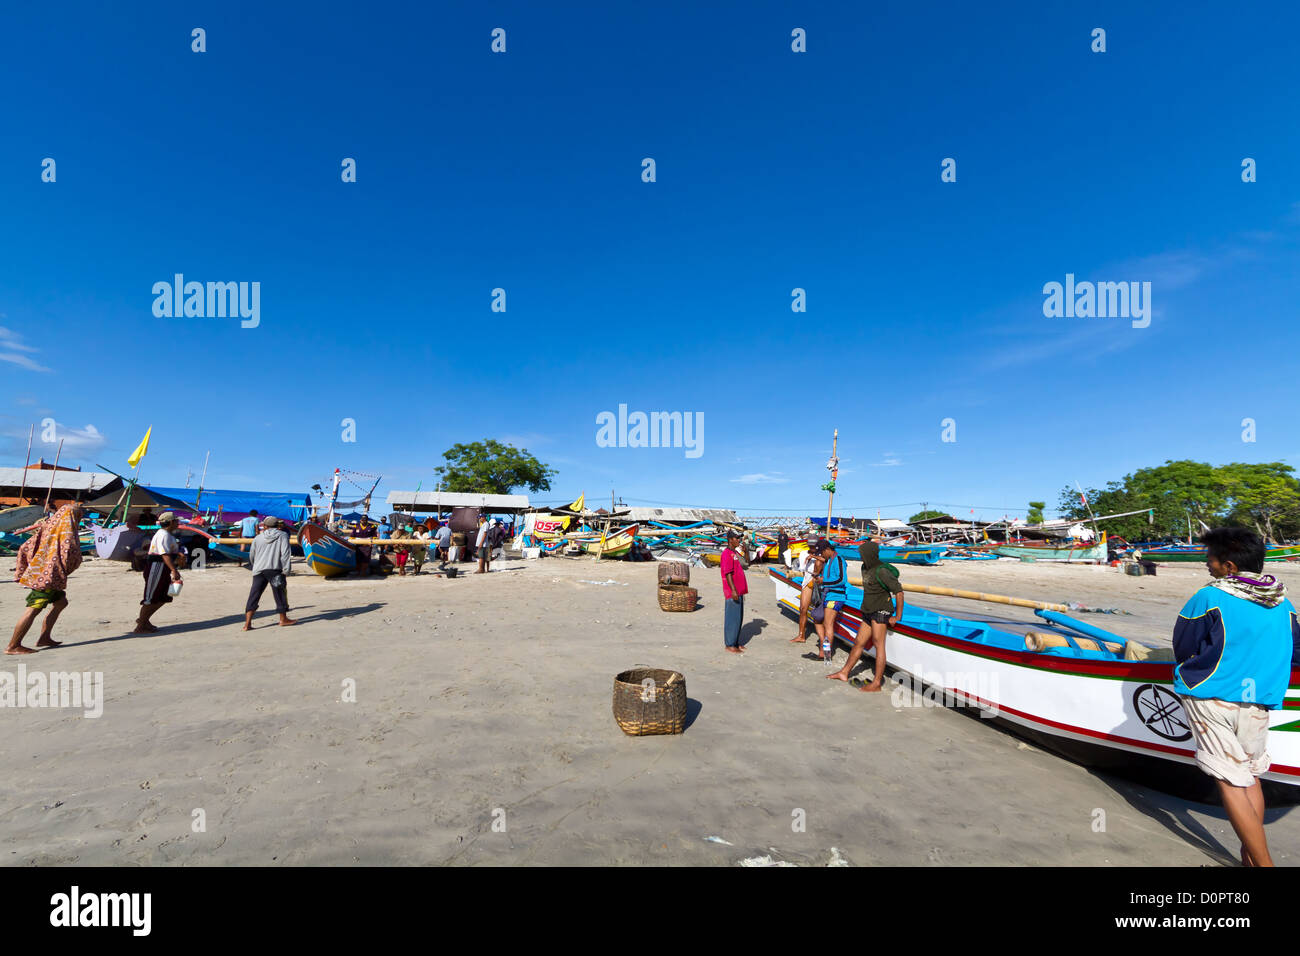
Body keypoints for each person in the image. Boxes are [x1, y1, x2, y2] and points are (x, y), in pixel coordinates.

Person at [1173, 528, 1300, 867]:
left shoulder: (1209, 596)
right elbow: (1295, 652)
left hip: (1211, 696)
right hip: (1259, 698)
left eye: (1209, 560)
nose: (1206, 566)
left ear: (1228, 565)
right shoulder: (1282, 601)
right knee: (1249, 775)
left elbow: (1183, 647)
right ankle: (1250, 857)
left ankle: (1264, 864)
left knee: (1230, 780)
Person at [7, 503, 84, 654]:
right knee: (33, 609)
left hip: (43, 575)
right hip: (49, 578)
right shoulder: (67, 532)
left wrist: (30, 566)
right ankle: (13, 645)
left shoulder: (48, 527)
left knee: (61, 603)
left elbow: (25, 547)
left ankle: (45, 637)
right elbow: (72, 555)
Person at [829, 540, 904, 690]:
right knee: (858, 642)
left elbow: (899, 592)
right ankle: (844, 672)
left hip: (881, 610)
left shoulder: (882, 571)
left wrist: (897, 616)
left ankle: (877, 683)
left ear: (869, 555)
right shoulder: (865, 567)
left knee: (878, 644)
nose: (861, 557)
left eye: (863, 554)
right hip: (868, 611)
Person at [134, 511, 186, 633]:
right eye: (176, 521)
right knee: (151, 597)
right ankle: (141, 624)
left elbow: (167, 552)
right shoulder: (164, 535)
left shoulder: (167, 534)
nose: (178, 523)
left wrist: (178, 555)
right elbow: (164, 554)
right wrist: (174, 570)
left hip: (162, 568)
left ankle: (144, 620)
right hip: (156, 567)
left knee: (163, 596)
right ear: (171, 522)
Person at [244, 515, 296, 630]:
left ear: (265, 526)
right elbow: (285, 554)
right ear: (277, 525)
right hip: (275, 569)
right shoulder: (282, 536)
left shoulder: (258, 538)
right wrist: (286, 570)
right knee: (280, 594)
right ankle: (283, 619)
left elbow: (252, 555)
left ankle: (247, 623)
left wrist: (254, 565)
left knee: (254, 595)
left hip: (259, 569)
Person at [814, 539, 847, 661]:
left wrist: (824, 581)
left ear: (827, 550)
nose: (821, 556)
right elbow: (831, 577)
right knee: (818, 620)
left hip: (836, 596)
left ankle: (826, 654)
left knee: (828, 625)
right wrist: (821, 579)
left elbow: (842, 580)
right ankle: (824, 651)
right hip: (828, 595)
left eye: (822, 553)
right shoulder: (829, 561)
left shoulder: (838, 559)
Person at [789, 548, 826, 645]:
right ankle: (801, 636)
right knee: (803, 609)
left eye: (814, 546)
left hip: (821, 585)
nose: (812, 547)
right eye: (810, 545)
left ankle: (824, 645)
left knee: (821, 616)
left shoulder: (823, 554)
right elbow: (803, 570)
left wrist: (814, 557)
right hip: (808, 583)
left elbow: (826, 561)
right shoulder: (803, 554)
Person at [721, 531, 748, 654]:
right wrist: (733, 590)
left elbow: (746, 564)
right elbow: (728, 574)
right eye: (737, 538)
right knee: (732, 618)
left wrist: (746, 551)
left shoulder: (735, 553)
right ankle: (730, 644)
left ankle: (736, 642)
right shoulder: (727, 553)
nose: (738, 540)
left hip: (739, 590)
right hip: (733, 591)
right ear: (730, 539)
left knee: (738, 618)